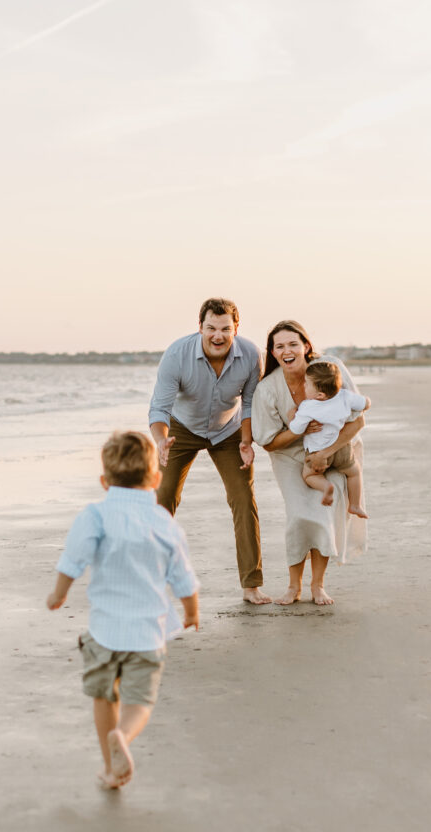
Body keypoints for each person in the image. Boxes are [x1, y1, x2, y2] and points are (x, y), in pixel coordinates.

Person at [46, 431, 199, 790]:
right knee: (139, 701)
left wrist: (58, 594)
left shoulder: (95, 516)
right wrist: (191, 612)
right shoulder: (165, 523)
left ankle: (111, 767)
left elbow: (73, 559)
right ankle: (124, 737)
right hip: (147, 634)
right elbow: (183, 576)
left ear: (104, 481)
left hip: (104, 632)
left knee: (105, 695)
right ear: (156, 478)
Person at [149, 298, 271, 604]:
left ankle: (251, 585)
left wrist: (246, 441)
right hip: (181, 430)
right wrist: (160, 441)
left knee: (244, 499)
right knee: (163, 498)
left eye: (225, 329)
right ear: (200, 327)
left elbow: (250, 403)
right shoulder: (177, 354)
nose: (218, 336)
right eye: (211, 328)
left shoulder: (252, 355)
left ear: (236, 328)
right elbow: (160, 408)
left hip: (228, 432)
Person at [250, 321, 367, 607]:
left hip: (337, 449)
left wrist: (327, 452)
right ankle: (293, 587)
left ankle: (318, 586)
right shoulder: (267, 389)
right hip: (289, 455)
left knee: (323, 512)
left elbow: (358, 420)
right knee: (300, 514)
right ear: (273, 353)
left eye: (293, 344)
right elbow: (267, 442)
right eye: (279, 346)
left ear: (306, 346)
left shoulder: (329, 369)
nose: (287, 351)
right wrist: (298, 431)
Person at [287, 360, 371, 517]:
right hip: (341, 449)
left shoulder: (307, 407)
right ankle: (355, 505)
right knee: (354, 472)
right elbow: (365, 404)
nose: (303, 386)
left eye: (306, 384)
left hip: (316, 451)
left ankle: (326, 487)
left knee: (309, 475)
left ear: (319, 395)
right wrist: (366, 401)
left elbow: (296, 429)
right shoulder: (345, 396)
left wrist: (292, 416)